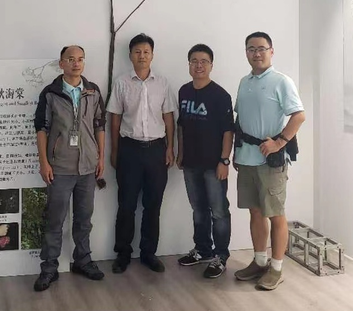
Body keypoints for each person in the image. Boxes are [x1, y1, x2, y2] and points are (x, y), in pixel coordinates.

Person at [233, 32, 305, 291]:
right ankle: (259, 261)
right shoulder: (244, 82)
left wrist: (279, 142)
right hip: (247, 158)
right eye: (251, 49)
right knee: (255, 211)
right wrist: (235, 153)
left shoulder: (281, 81)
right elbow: (240, 121)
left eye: (262, 48)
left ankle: (276, 268)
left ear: (271, 51)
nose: (257, 53)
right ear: (246, 53)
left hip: (270, 161)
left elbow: (299, 115)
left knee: (275, 213)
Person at [33, 45, 106, 292]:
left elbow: (99, 126)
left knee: (84, 219)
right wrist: (44, 162)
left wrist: (100, 158)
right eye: (71, 59)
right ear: (61, 63)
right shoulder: (51, 93)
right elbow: (41, 128)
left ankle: (83, 260)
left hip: (87, 167)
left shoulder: (93, 91)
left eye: (80, 59)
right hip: (60, 167)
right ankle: (49, 268)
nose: (76, 63)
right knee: (55, 220)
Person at [107, 33, 176, 274]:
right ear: (130, 56)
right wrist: (114, 151)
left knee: (153, 205)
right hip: (129, 149)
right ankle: (123, 253)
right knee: (126, 205)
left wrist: (170, 147)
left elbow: (169, 117)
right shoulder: (121, 82)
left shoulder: (163, 83)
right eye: (137, 52)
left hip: (157, 150)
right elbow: (114, 118)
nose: (142, 56)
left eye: (146, 52)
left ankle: (148, 253)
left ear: (152, 55)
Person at [177, 43, 234, 279]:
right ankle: (203, 250)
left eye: (204, 61)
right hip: (190, 162)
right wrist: (180, 153)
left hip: (213, 165)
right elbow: (181, 125)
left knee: (218, 212)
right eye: (194, 61)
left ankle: (220, 256)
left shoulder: (221, 96)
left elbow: (228, 132)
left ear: (211, 65)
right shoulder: (183, 91)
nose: (198, 65)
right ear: (188, 64)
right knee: (198, 210)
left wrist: (224, 161)